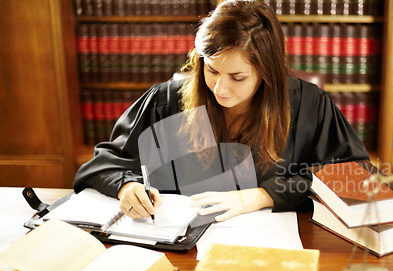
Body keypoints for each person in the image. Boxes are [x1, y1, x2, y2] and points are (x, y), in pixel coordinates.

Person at [73, 0, 369, 223]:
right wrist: (126, 186)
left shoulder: (309, 104)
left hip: (272, 242)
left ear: (267, 72)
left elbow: (353, 176)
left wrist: (264, 195)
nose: (220, 89)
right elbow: (103, 165)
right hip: (179, 244)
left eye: (237, 77)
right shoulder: (165, 101)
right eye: (212, 71)